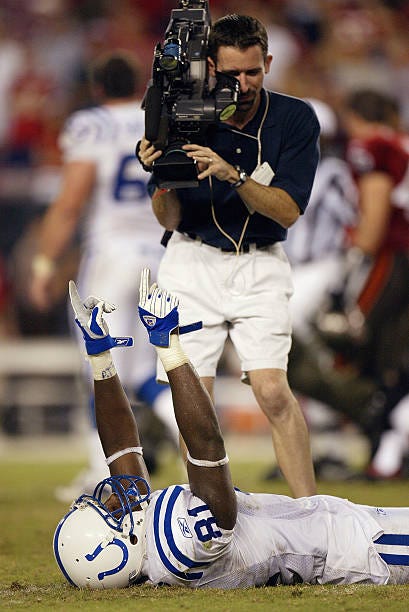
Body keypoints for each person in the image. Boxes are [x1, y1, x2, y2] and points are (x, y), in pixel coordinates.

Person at [54, 269, 409, 589]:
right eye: (111, 513)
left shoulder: (148, 543)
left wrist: (99, 356)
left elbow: (122, 450)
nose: (113, 499)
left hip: (334, 529)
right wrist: (170, 349)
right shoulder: (175, 549)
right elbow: (207, 447)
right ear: (115, 556)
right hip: (354, 547)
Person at [137, 13, 320, 497]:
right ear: (210, 67)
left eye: (254, 72)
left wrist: (233, 176)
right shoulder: (181, 114)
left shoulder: (294, 118)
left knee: (273, 391)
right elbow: (170, 219)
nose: (244, 84)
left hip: (260, 262)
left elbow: (287, 212)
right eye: (232, 73)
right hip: (192, 261)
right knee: (194, 399)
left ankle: (313, 515)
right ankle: (212, 514)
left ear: (269, 63)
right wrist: (158, 176)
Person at [28, 52, 178, 501]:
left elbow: (71, 201)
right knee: (152, 369)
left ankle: (104, 471)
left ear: (97, 88)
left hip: (112, 258)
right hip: (163, 253)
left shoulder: (91, 123)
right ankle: (202, 445)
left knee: (101, 364)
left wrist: (43, 263)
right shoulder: (159, 119)